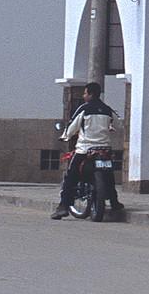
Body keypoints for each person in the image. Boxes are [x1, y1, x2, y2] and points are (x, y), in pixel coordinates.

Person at [50, 82, 120, 220]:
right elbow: (116, 124)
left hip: (85, 149)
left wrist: (65, 136)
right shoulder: (107, 109)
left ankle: (63, 206)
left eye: (85, 93)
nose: (84, 96)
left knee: (71, 176)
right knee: (109, 175)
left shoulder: (84, 109)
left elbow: (72, 126)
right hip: (104, 149)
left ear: (91, 94)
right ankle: (114, 201)